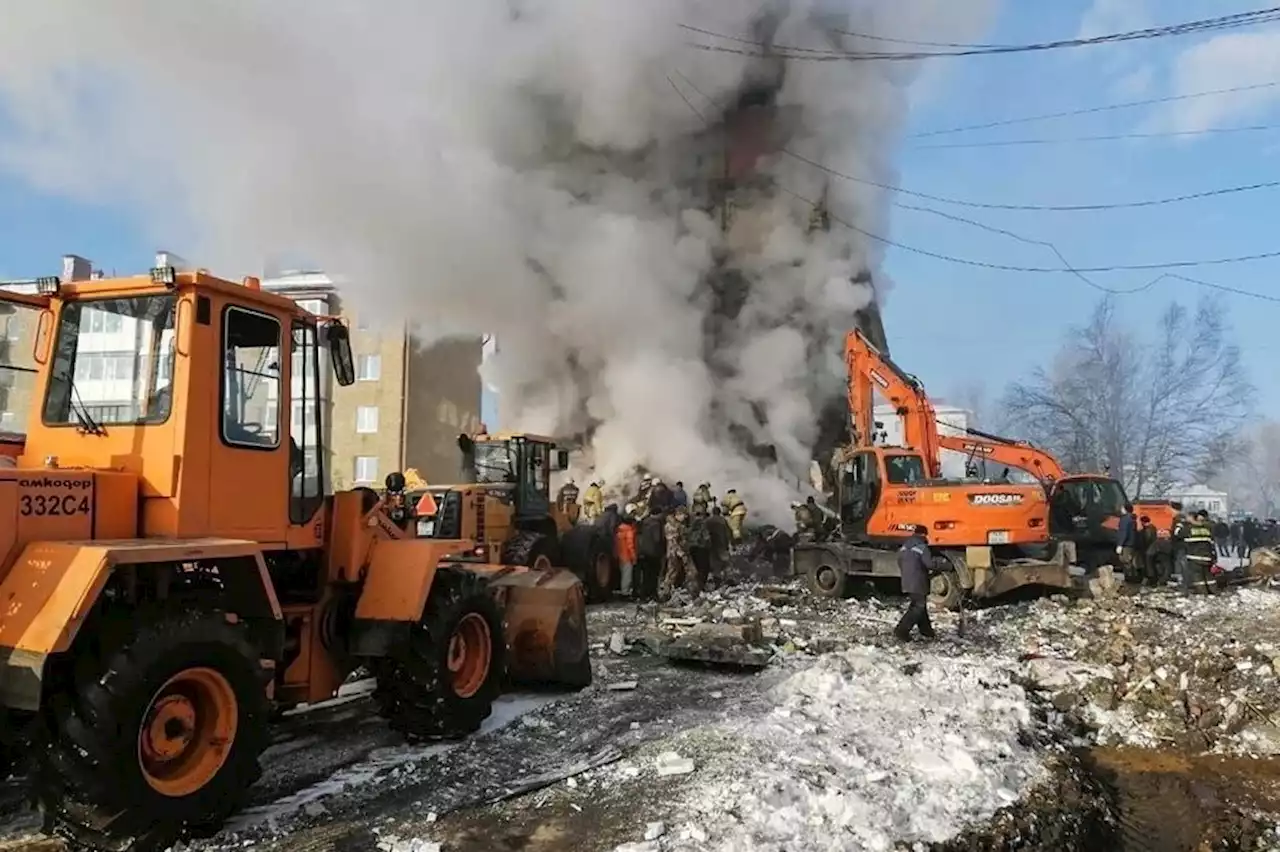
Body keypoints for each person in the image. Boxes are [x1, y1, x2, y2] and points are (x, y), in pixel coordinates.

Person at [894, 524, 936, 642]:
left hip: (907, 580)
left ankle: (926, 631)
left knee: (919, 604)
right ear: (924, 534)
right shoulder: (922, 547)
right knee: (918, 606)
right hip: (918, 580)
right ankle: (901, 631)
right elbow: (930, 564)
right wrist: (943, 565)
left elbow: (899, 560)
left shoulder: (905, 545)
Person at [660, 506, 699, 600]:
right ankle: (667, 593)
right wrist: (681, 552)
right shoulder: (671, 526)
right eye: (683, 515)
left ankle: (691, 592)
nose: (685, 517)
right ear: (678, 514)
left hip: (678, 552)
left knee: (676, 573)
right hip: (676, 553)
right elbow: (673, 541)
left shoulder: (678, 525)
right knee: (679, 572)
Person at [1183, 509, 1217, 594]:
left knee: (1198, 576)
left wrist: (1182, 524)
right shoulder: (1207, 529)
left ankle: (1203, 592)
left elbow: (1179, 535)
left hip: (1194, 557)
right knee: (1209, 576)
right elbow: (1211, 543)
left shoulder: (1189, 529)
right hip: (1207, 556)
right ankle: (1213, 591)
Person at [615, 508, 638, 597]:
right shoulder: (629, 531)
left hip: (620, 555)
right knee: (627, 576)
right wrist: (634, 557)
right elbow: (630, 545)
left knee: (623, 574)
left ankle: (623, 590)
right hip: (627, 556)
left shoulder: (619, 530)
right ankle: (625, 593)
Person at [706, 505, 731, 583]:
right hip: (722, 544)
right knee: (726, 561)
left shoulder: (708, 521)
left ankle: (716, 577)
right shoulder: (723, 520)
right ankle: (728, 577)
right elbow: (728, 533)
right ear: (719, 512)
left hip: (712, 544)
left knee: (714, 561)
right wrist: (727, 544)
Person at [1116, 503, 1138, 580]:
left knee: (1125, 560)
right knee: (1130, 561)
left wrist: (1120, 544)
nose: (1121, 510)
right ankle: (1133, 577)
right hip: (1131, 543)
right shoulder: (1132, 519)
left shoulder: (1125, 519)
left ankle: (1130, 578)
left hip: (1126, 544)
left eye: (1122, 508)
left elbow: (1123, 532)